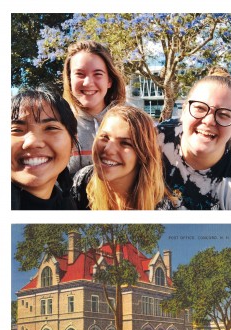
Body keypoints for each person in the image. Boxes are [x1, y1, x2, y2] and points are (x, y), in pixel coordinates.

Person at [158, 66, 231, 210]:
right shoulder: (153, 139)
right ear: (184, 111)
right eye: (200, 108)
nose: (209, 121)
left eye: (223, 114)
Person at [71, 105, 181, 210]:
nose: (108, 149)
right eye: (105, 137)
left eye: (125, 143)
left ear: (143, 154)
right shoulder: (82, 181)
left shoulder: (164, 209)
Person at [63, 40, 126, 175]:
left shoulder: (130, 123)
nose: (88, 82)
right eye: (80, 74)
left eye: (98, 74)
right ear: (69, 79)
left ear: (109, 81)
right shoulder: (58, 124)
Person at [11, 86, 79, 210]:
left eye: (50, 128)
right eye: (16, 130)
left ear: (72, 144)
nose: (32, 142)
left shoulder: (68, 205)